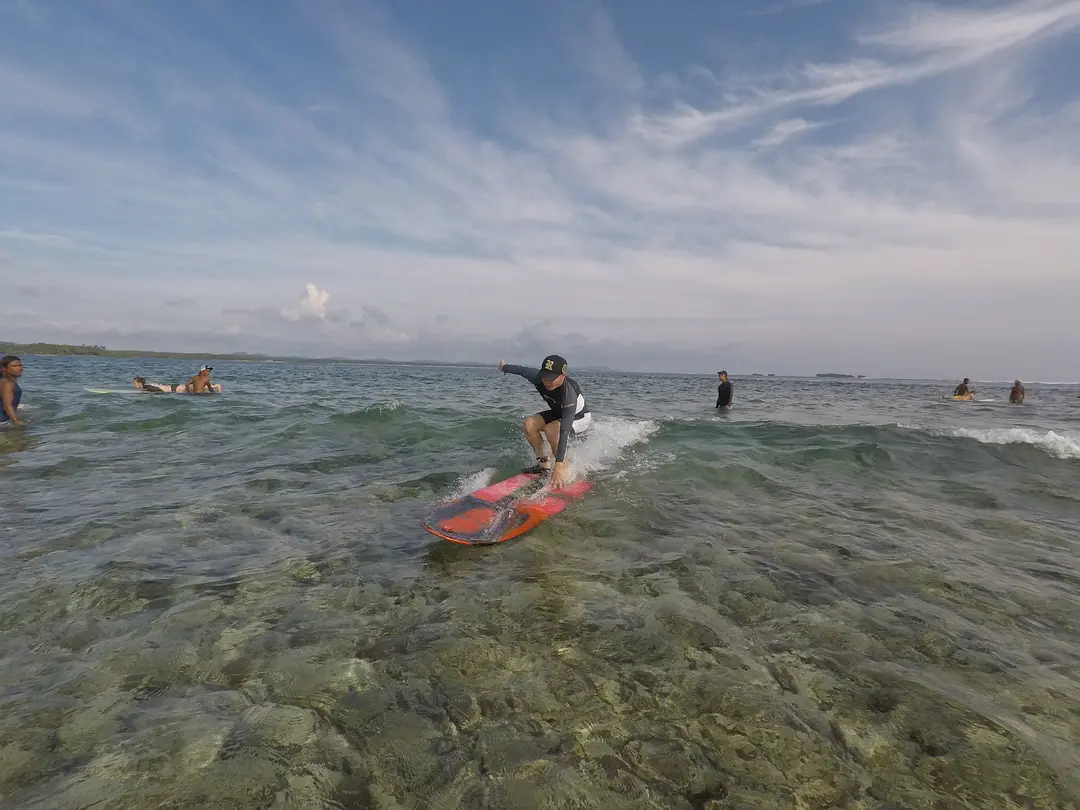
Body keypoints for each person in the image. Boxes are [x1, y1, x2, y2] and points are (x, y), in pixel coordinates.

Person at [497, 354, 590, 488]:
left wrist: (558, 466)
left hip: (579, 417)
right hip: (558, 413)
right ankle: (544, 467)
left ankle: (563, 470)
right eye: (544, 376)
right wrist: (504, 367)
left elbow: (563, 432)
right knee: (529, 424)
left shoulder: (568, 394)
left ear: (562, 376)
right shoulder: (537, 378)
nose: (546, 381)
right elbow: (521, 370)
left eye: (551, 378)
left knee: (551, 430)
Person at [1, 355, 23, 425]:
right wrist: (16, 421)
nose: (19, 368)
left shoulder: (7, 381)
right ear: (5, 368)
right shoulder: (7, 383)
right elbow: (7, 405)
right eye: (15, 366)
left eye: (20, 365)